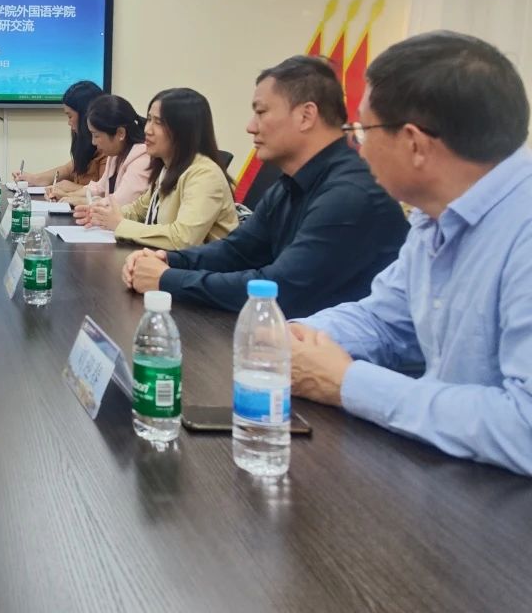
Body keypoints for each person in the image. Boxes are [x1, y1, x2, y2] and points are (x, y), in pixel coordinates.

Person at [289, 31, 532, 474]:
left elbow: (524, 426)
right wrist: (295, 337)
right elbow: (385, 320)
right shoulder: (433, 217)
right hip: (451, 477)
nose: (358, 147)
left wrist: (346, 383)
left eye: (362, 131)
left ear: (415, 144)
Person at [122, 55, 407, 314]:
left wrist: (166, 279)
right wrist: (168, 259)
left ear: (306, 116)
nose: (250, 126)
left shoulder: (349, 193)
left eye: (261, 112)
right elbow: (237, 251)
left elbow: (278, 289)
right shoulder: (289, 184)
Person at [77, 88, 237, 250]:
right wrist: (102, 215)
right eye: (149, 120)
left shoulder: (204, 175)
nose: (147, 129)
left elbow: (183, 238)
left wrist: (120, 225)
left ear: (184, 130)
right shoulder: (166, 167)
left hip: (204, 265)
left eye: (158, 123)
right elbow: (138, 210)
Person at [48, 94, 150, 207]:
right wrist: (67, 196)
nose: (93, 142)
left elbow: (120, 202)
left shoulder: (142, 160)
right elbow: (99, 188)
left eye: (96, 135)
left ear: (120, 133)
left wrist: (82, 201)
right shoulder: (116, 154)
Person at [13, 80, 105, 190]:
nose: (69, 123)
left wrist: (71, 188)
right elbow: (67, 170)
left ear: (85, 115)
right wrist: (34, 179)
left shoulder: (107, 149)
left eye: (70, 116)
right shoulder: (86, 145)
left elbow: (105, 193)